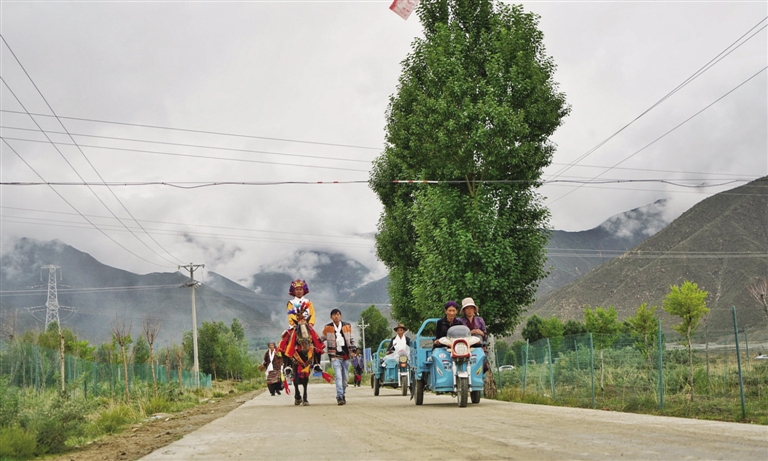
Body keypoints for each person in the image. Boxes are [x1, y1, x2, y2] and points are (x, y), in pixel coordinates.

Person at [322, 308, 356, 405]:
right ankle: (339, 396)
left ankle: (343, 393)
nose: (336, 316)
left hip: (346, 355)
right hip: (335, 356)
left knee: (345, 378)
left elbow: (352, 339)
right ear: (331, 317)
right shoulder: (328, 327)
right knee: (338, 376)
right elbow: (321, 338)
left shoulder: (347, 326)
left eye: (337, 314)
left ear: (340, 316)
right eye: (334, 315)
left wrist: (353, 350)